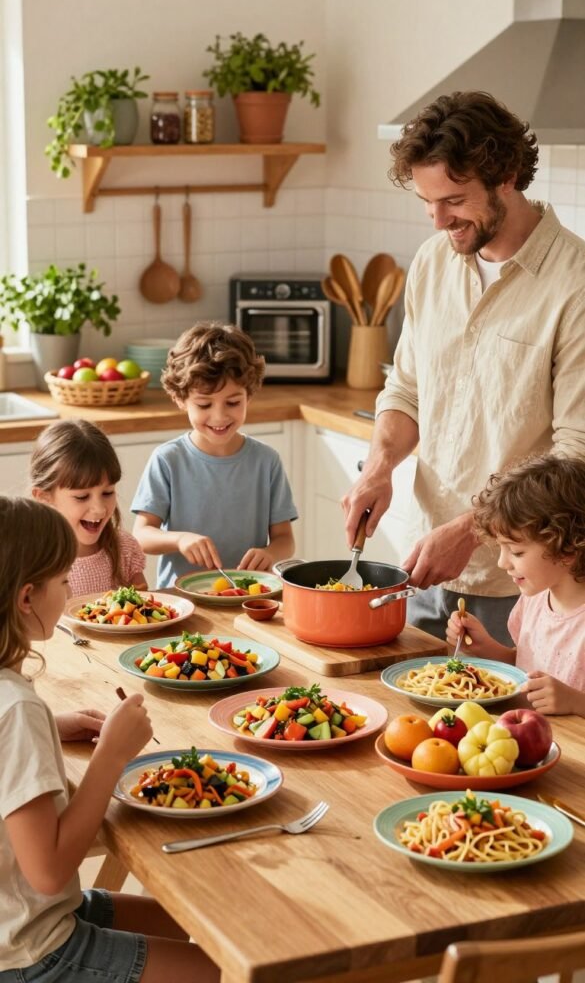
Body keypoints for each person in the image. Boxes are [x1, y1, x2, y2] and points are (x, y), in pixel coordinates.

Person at [342, 89, 585, 642]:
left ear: (506, 176)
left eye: (453, 200)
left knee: (510, 726)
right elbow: (406, 389)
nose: (437, 220)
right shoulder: (434, 261)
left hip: (527, 583)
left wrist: (474, 529)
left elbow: (574, 456)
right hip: (425, 560)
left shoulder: (575, 284)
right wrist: (379, 467)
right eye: (427, 203)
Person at [0, 496, 220, 982]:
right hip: (29, 951)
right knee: (225, 972)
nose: (69, 592)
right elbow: (50, 872)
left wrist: (51, 727)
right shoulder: (16, 708)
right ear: (26, 598)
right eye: (63, 582)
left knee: (199, 923)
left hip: (23, 917)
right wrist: (111, 756)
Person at [132, 322, 297, 587]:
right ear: (180, 398)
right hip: (183, 602)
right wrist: (180, 539)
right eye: (204, 404)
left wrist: (269, 554)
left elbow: (285, 539)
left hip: (247, 597)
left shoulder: (266, 461)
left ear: (250, 394)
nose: (219, 417)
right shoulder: (167, 460)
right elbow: (141, 535)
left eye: (233, 402)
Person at [446, 454, 585, 717]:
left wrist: (576, 702)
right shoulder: (534, 599)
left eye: (517, 552)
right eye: (501, 548)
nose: (502, 562)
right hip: (528, 742)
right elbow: (525, 669)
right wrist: (484, 647)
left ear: (567, 548)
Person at [30, 420, 147, 596]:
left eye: (107, 493)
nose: (99, 509)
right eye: (82, 497)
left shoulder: (125, 549)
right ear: (45, 497)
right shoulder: (31, 558)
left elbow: (145, 609)